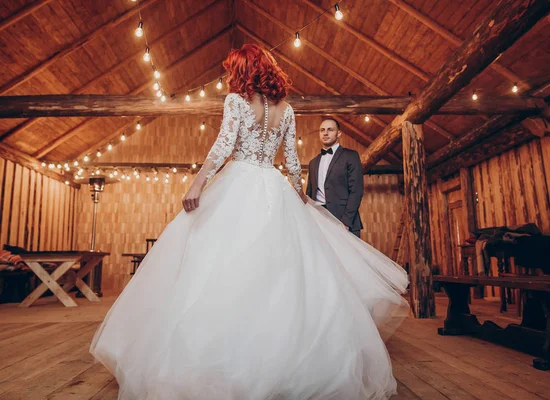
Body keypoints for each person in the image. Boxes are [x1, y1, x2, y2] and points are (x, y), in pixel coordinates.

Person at [90, 44, 408, 400]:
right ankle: (285, 359)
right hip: (274, 185)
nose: (230, 76)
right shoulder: (286, 110)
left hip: (239, 181)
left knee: (221, 266)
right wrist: (299, 196)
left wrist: (198, 183)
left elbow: (225, 144)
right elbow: (290, 159)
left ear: (244, 70)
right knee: (280, 272)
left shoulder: (236, 101)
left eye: (233, 69)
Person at [306, 118, 364, 237]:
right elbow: (310, 194)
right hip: (319, 221)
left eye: (330, 130)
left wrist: (345, 222)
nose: (325, 133)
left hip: (344, 221)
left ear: (339, 133)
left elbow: (356, 191)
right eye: (322, 130)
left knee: (348, 256)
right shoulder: (313, 162)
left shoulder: (351, 156)